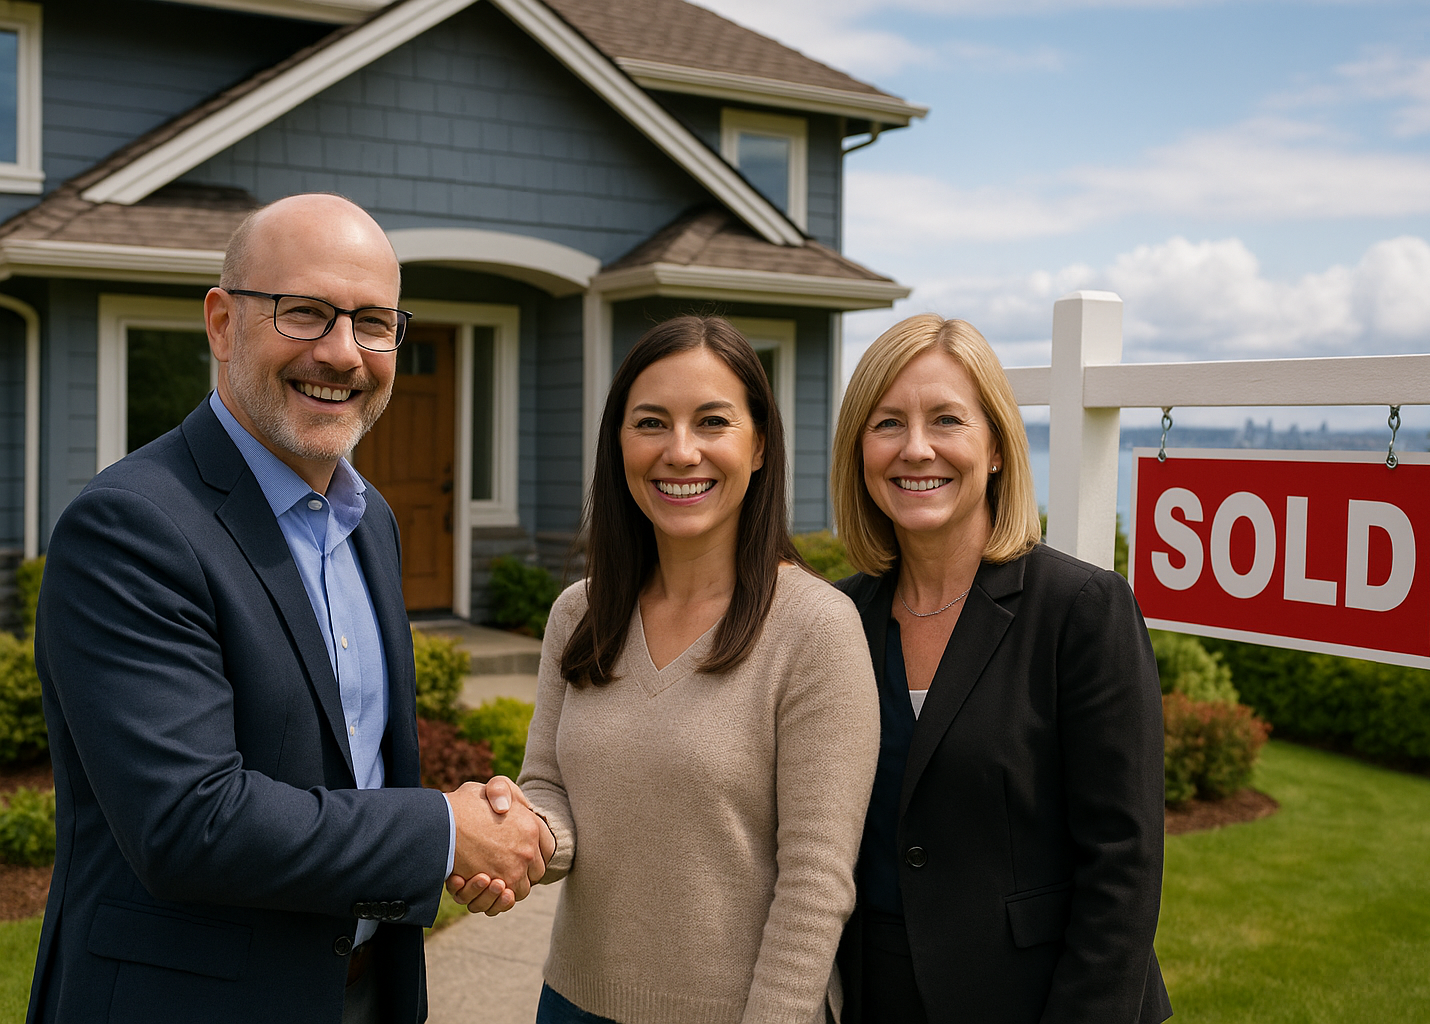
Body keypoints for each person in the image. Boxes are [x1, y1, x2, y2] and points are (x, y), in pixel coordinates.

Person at [28, 193, 552, 1024]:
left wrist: (455, 845)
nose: (342, 353)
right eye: (305, 312)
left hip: (364, 990)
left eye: (373, 323)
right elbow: (188, 822)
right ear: (223, 323)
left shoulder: (370, 522)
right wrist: (445, 833)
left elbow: (353, 771)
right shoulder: (132, 526)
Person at [464, 316, 879, 1024]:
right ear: (619, 443)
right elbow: (551, 788)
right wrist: (518, 836)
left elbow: (816, 884)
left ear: (759, 446)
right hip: (572, 1003)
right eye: (651, 423)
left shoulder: (816, 629)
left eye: (712, 422)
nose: (680, 452)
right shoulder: (580, 613)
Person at [829, 314, 1171, 1024]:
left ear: (994, 448)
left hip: (1039, 999)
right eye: (887, 423)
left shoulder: (1082, 609)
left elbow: (1124, 863)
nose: (915, 448)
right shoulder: (837, 619)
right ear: (859, 451)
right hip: (873, 996)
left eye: (946, 419)